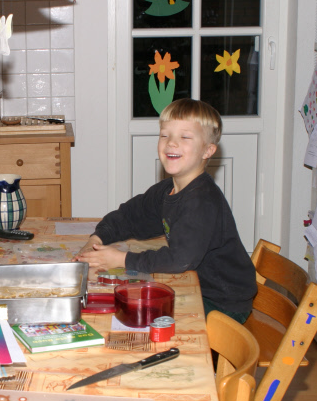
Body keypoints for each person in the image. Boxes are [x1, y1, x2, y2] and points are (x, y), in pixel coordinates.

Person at [73, 99, 256, 322]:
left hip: (223, 301)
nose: (171, 143)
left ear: (208, 150)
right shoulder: (168, 190)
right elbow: (129, 216)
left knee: (147, 317)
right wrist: (96, 239)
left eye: (185, 137)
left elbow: (179, 260)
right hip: (200, 286)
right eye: (164, 135)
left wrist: (121, 259)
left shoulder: (202, 201)